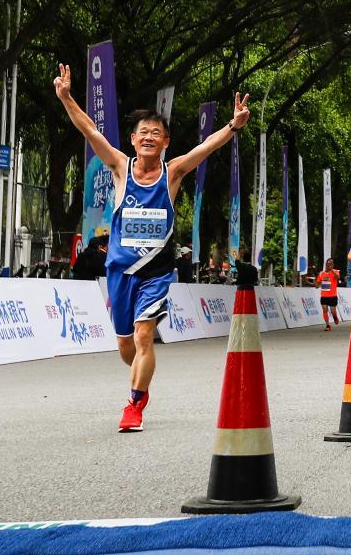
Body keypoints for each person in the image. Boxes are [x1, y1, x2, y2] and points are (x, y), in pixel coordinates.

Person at [54, 62, 250, 433]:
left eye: (156, 133)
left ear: (165, 142)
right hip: (120, 271)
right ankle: (141, 376)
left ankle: (134, 404)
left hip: (156, 273)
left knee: (145, 335)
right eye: (143, 132)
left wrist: (233, 125)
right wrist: (66, 98)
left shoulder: (172, 173)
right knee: (127, 347)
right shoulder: (119, 167)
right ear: (133, 139)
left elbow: (206, 147)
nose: (149, 137)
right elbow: (89, 129)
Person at [314, 258, 342, 330]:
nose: (329, 265)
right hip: (324, 296)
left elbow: (337, 277)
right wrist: (316, 284)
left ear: (333, 265)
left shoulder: (336, 271)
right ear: (325, 264)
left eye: (330, 264)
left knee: (333, 312)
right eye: (328, 264)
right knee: (324, 310)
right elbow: (317, 284)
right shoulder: (321, 273)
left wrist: (331, 270)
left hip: (332, 296)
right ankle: (327, 325)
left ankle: (335, 317)